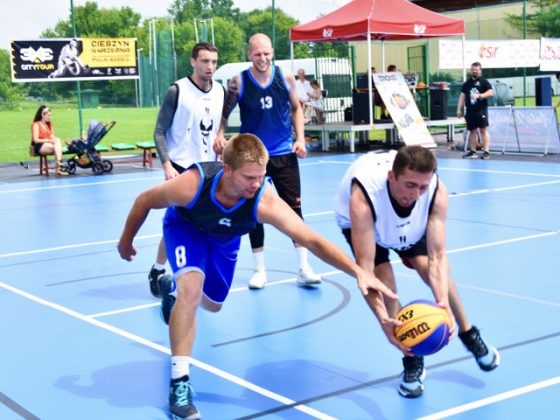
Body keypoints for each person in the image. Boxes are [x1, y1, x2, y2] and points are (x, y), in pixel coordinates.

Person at [117, 133, 398, 419]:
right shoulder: (193, 184)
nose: (256, 184)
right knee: (191, 290)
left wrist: (359, 272)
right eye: (249, 177)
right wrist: (126, 240)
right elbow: (144, 200)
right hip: (186, 229)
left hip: (225, 238)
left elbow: (311, 239)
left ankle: (171, 291)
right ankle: (180, 383)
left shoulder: (264, 200)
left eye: (261, 176)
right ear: (226, 170)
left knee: (213, 303)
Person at [334, 145, 500, 399]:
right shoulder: (363, 198)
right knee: (384, 278)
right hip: (366, 220)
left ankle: (468, 334)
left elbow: (437, 257)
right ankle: (412, 359)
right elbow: (366, 272)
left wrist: (441, 301)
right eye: (410, 185)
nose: (416, 194)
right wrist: (383, 322)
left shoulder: (434, 193)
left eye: (422, 187)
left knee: (430, 269)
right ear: (392, 177)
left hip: (405, 224)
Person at [216, 33, 322, 290]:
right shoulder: (238, 82)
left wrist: (300, 139)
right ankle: (260, 269)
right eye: (257, 54)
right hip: (252, 158)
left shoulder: (284, 78)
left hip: (284, 152)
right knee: (254, 212)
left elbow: (296, 108)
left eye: (266, 54)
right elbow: (224, 113)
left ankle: (303, 267)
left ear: (272, 52)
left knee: (294, 210)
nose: (262, 58)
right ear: (249, 54)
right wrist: (220, 133)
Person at [147, 42, 225, 298]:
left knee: (200, 222)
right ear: (193, 61)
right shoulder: (177, 91)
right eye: (204, 61)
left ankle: (173, 270)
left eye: (213, 62)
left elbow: (220, 119)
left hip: (210, 167)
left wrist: (221, 135)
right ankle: (162, 270)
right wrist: (167, 166)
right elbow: (159, 131)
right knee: (180, 220)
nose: (209, 67)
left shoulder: (221, 92)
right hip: (181, 167)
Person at [457, 62, 494, 160]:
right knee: (472, 131)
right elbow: (462, 96)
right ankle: (473, 151)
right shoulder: (467, 83)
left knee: (483, 130)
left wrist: (480, 95)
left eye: (477, 70)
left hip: (481, 110)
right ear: (471, 70)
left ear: (480, 70)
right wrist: (458, 109)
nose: (475, 71)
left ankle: (486, 152)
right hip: (470, 111)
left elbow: (491, 92)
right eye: (473, 69)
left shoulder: (483, 81)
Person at [30, 105, 68, 175]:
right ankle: (59, 166)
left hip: (49, 145)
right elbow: (35, 140)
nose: (49, 117)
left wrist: (53, 139)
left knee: (57, 140)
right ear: (42, 115)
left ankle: (58, 163)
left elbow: (52, 136)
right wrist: (48, 140)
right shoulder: (36, 124)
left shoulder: (49, 124)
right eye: (48, 115)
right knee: (58, 148)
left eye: (50, 115)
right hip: (40, 146)